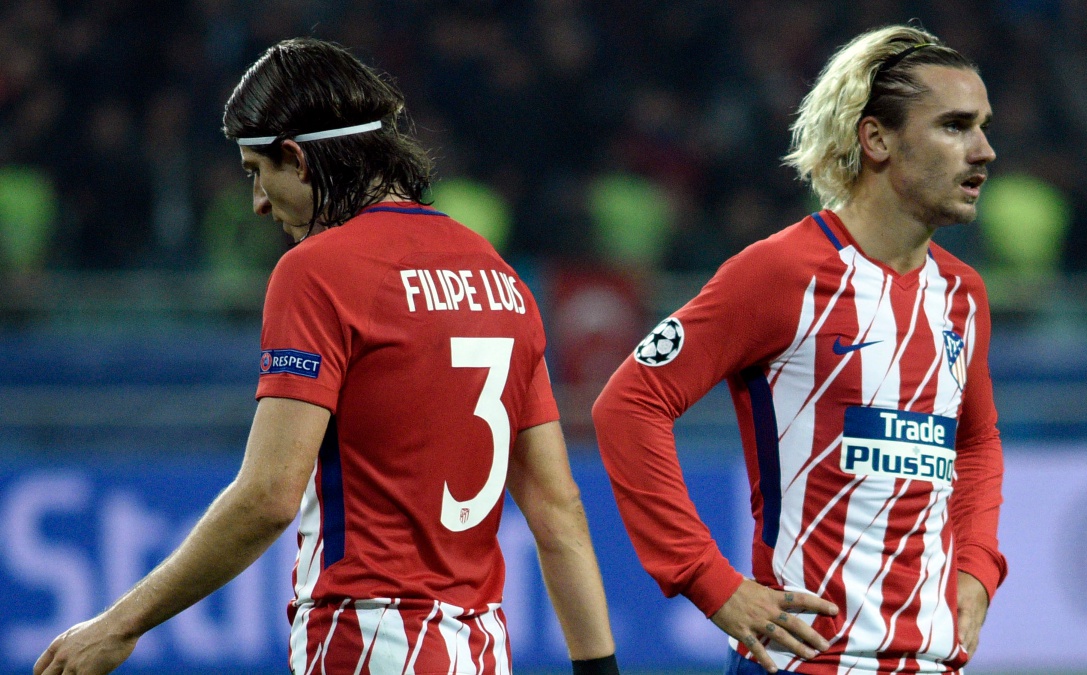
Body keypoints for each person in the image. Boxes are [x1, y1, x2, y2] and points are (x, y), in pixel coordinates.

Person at [35, 38, 619, 675]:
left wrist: (118, 626)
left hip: (366, 641)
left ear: (298, 158)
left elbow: (267, 496)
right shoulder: (503, 281)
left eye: (258, 173)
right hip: (480, 650)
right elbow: (558, 512)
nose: (259, 202)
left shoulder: (317, 272)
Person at [592, 24, 1005, 675]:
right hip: (808, 661)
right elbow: (629, 403)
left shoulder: (963, 293)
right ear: (876, 139)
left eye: (981, 126)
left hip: (932, 662)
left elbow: (976, 441)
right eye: (955, 126)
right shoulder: (782, 274)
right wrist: (708, 577)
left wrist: (977, 566)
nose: (983, 150)